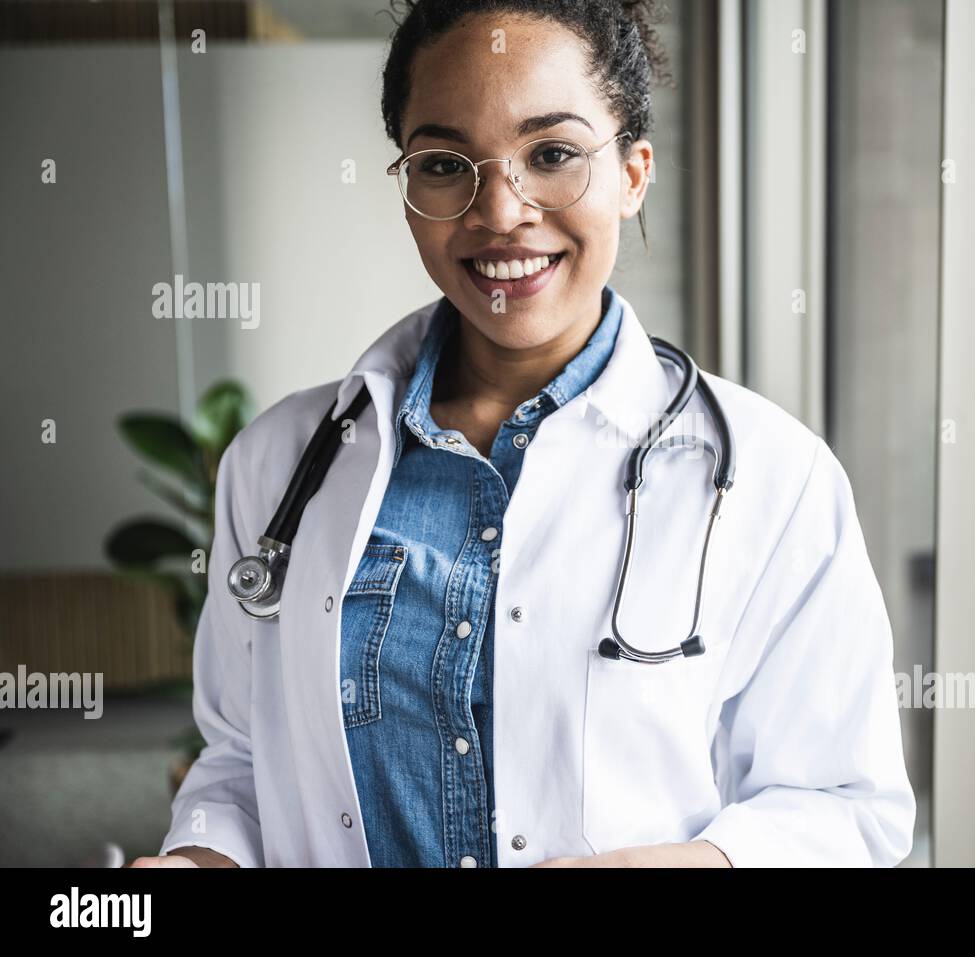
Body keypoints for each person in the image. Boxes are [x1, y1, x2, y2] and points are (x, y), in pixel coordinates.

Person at [131, 0, 914, 869]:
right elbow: (242, 762)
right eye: (444, 163)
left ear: (633, 173)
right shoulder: (278, 463)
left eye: (551, 154)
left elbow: (847, 809)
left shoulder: (774, 476)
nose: (500, 211)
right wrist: (196, 862)